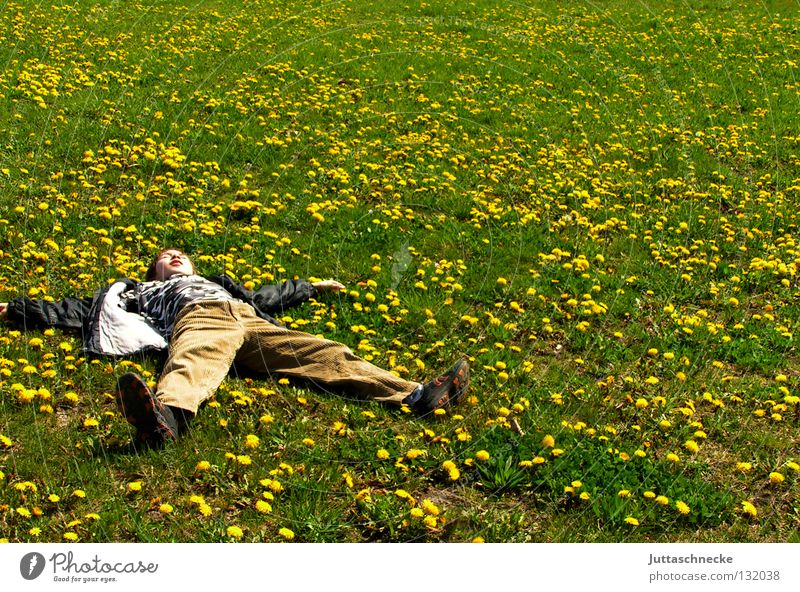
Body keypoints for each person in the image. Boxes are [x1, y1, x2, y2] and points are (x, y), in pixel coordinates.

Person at [0, 249, 469, 446]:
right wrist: (13, 310)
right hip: (197, 322)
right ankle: (167, 418)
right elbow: (71, 310)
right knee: (196, 357)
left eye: (179, 253)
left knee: (325, 352)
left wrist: (312, 285)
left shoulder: (217, 283)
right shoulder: (136, 293)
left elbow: (268, 298)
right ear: (154, 270)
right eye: (165, 257)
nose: (174, 257)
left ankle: (414, 395)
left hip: (246, 320)